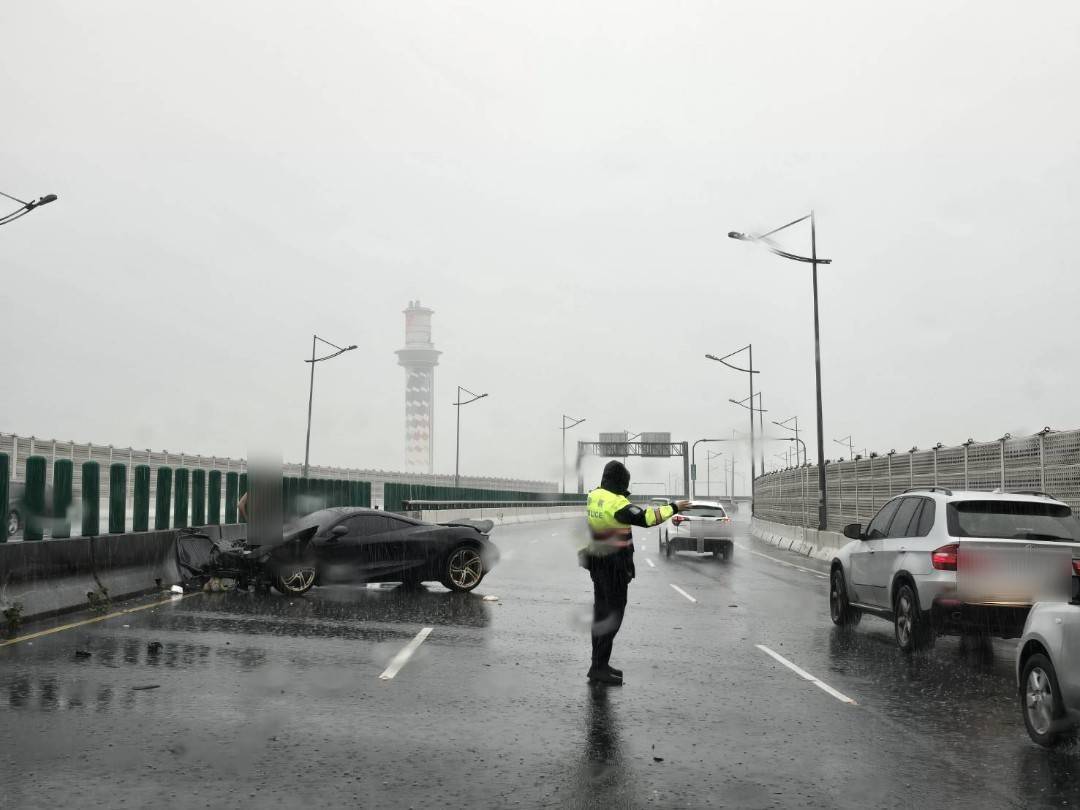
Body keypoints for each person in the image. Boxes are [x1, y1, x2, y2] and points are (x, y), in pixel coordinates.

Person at [582, 460, 688, 685]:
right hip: (614, 567)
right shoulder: (617, 503)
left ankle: (597, 663)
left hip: (597, 562)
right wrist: (675, 506)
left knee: (600, 614)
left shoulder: (594, 496)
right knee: (614, 616)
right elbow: (647, 519)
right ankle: (599, 666)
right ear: (621, 482)